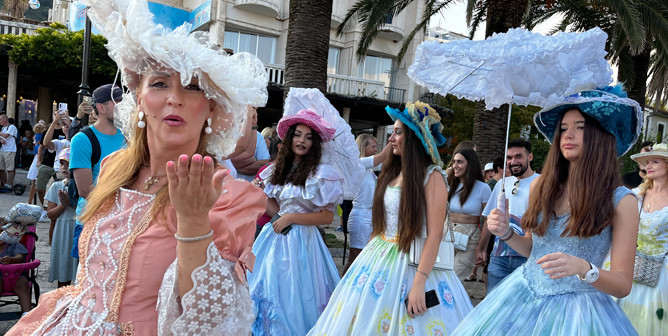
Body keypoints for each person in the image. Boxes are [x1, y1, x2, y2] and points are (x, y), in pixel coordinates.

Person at [7, 0, 269, 334]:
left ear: (211, 110)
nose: (174, 98)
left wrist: (193, 222)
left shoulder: (230, 195)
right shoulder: (117, 166)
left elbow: (208, 321)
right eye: (159, 83)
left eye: (191, 87)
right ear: (140, 98)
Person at [452, 85, 641, 335]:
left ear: (601, 135)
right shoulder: (542, 187)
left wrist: (585, 268)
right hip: (522, 295)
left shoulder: (621, 200)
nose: (567, 135)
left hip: (578, 316)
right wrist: (506, 233)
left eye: (580, 127)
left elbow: (622, 284)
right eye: (563, 128)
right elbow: (533, 250)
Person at [308, 102, 473, 336]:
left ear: (414, 137)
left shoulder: (432, 176)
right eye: (392, 132)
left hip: (416, 261)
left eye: (398, 132)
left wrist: (418, 283)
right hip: (379, 255)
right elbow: (382, 222)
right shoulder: (393, 172)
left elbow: (436, 234)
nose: (391, 138)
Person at [248, 109, 344, 335]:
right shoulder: (277, 170)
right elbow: (272, 204)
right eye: (298, 134)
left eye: (309, 137)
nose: (302, 140)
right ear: (289, 137)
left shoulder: (321, 173)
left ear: (315, 143)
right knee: (268, 288)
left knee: (298, 294)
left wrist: (291, 217)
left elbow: (327, 216)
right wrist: (266, 201)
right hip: (274, 238)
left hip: (304, 244)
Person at [614, 143, 668, 334]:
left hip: (663, 274)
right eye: (646, 162)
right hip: (630, 265)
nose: (648, 166)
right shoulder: (636, 195)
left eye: (655, 161)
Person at [69, 84, 126, 259]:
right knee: (89, 282)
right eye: (117, 102)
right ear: (100, 107)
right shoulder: (83, 139)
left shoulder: (129, 137)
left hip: (122, 221)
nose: (122, 106)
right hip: (92, 221)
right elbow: (85, 190)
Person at [476, 139, 539, 293]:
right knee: (494, 307)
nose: (513, 161)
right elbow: (491, 218)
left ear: (530, 157)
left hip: (529, 257)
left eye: (519, 156)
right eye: (509, 158)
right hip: (499, 256)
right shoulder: (502, 183)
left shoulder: (542, 182)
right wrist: (481, 247)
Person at [342, 134, 391, 274]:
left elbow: (388, 161)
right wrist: (398, 134)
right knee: (355, 257)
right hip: (360, 215)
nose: (376, 150)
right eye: (373, 146)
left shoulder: (369, 169)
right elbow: (383, 156)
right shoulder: (359, 163)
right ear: (363, 147)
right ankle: (342, 289)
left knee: (366, 258)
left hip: (369, 216)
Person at [448, 148, 491, 281]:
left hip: (470, 238)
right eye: (454, 162)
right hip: (447, 233)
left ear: (470, 164)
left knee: (453, 280)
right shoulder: (449, 184)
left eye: (460, 162)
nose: (455, 165)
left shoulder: (483, 188)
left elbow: (488, 221)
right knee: (441, 277)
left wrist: (481, 247)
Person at [44, 148, 77, 288]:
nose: (64, 167)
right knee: (63, 263)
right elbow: (50, 214)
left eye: (68, 163)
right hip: (62, 229)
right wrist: (63, 205)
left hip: (77, 226)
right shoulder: (56, 186)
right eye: (62, 163)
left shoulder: (83, 186)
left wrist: (71, 202)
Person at [235, 107, 270, 181]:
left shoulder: (258, 136)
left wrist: (236, 166)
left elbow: (265, 163)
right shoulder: (226, 134)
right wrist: (254, 161)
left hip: (250, 186)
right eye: (252, 108)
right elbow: (244, 150)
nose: (254, 113)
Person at [26, 122, 46, 205]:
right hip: (39, 157)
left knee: (35, 183)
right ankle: (31, 201)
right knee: (35, 183)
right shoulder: (40, 137)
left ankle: (30, 201)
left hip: (38, 157)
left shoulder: (37, 136)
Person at [0, 113, 18, 187]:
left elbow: (6, 135)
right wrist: (1, 140)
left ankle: (9, 184)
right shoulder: (3, 128)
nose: (0, 121)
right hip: (2, 149)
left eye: (0, 119)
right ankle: (4, 183)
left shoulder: (12, 127)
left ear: (5, 119)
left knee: (10, 168)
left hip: (10, 150)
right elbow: (2, 137)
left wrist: (1, 135)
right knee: (1, 168)